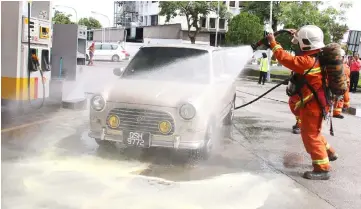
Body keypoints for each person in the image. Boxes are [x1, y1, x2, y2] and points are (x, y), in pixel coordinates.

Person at [267, 25, 338, 180]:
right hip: (317, 103)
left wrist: (273, 42)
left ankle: (322, 168)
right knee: (315, 132)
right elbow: (303, 48)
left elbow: (286, 58)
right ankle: (330, 152)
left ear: (305, 43)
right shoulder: (318, 57)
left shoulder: (307, 62)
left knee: (310, 136)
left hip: (313, 106)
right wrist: (297, 35)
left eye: (299, 41)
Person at [333, 49, 351, 119]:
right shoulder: (345, 66)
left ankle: (333, 111)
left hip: (334, 84)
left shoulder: (332, 64)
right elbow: (347, 76)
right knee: (340, 98)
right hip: (341, 85)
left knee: (335, 98)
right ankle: (336, 112)